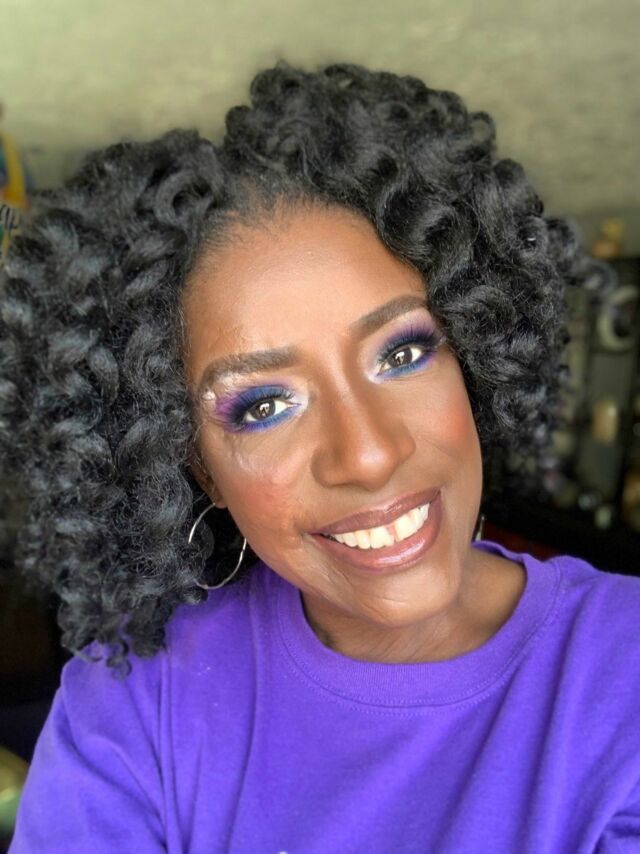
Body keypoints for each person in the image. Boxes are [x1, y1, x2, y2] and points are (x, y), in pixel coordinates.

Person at [2, 62, 639, 853]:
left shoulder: (623, 672)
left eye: (403, 353)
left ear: (474, 354)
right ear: (197, 468)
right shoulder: (132, 700)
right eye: (263, 406)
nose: (367, 454)